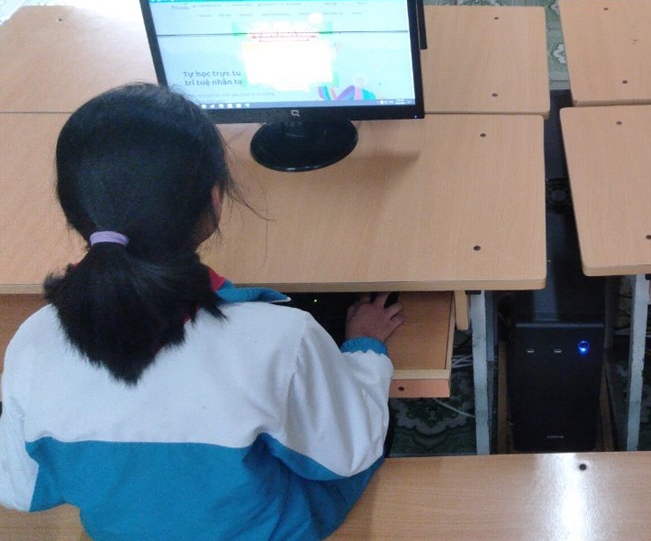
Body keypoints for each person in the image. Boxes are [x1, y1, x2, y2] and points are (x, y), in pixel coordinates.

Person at [0, 84, 404, 541]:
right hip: (272, 530)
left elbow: (20, 490)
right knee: (367, 427)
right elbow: (349, 452)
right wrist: (366, 349)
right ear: (215, 201)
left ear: (75, 212)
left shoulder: (33, 342)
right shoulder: (280, 337)